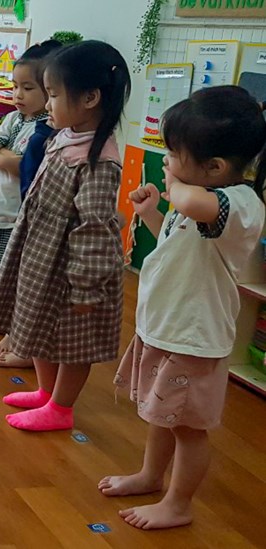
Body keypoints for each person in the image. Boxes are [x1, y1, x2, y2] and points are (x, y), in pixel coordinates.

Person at [101, 86, 266, 530]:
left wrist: (174, 187)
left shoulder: (239, 205)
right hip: (168, 327)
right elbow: (179, 244)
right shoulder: (200, 195)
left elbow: (191, 205)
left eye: (174, 153)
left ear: (215, 167)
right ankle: (151, 476)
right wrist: (153, 213)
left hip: (195, 337)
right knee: (164, 416)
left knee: (188, 429)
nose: (167, 161)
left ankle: (179, 504)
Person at [0, 40, 131, 432]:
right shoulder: (65, 135)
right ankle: (46, 392)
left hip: (73, 269)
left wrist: (85, 288)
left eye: (55, 95)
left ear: (91, 98)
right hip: (43, 255)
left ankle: (61, 407)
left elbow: (95, 228)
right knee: (38, 327)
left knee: (72, 341)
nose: (47, 104)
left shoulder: (99, 161)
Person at [0, 39, 62, 367]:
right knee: (5, 274)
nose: (18, 95)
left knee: (23, 280)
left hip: (23, 215)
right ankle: (1, 321)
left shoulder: (48, 129)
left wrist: (6, 157)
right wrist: (11, 159)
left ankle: (16, 333)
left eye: (28, 88)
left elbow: (27, 167)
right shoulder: (13, 120)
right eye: (15, 86)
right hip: (1, 208)